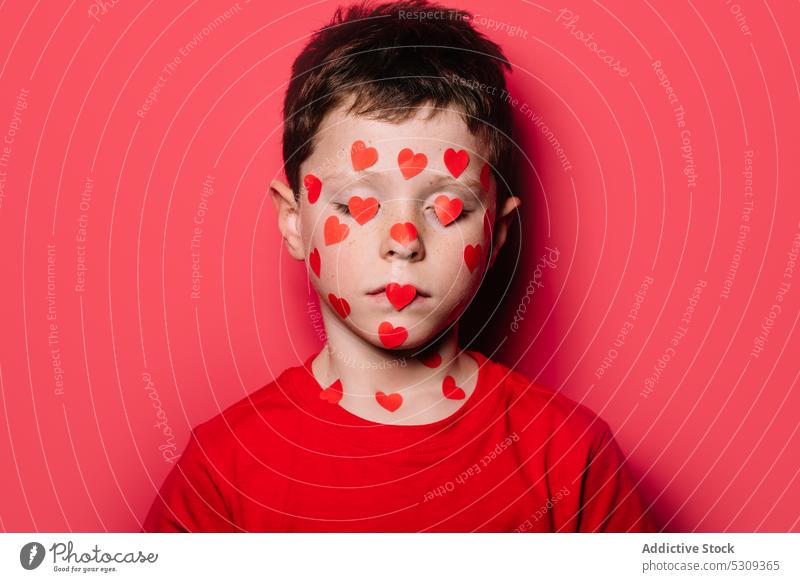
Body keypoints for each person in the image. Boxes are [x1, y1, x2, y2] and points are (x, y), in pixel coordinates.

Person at [142, 0, 657, 533]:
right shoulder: (224, 470)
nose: (403, 242)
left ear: (496, 231)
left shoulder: (571, 456)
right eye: (355, 205)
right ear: (295, 221)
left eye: (448, 208)